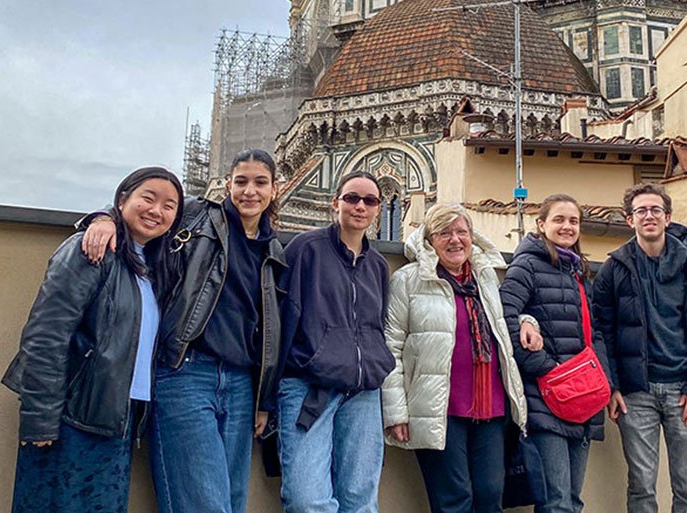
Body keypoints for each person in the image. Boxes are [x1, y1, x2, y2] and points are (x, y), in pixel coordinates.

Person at [80, 149, 286, 513]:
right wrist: (104, 218)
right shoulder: (198, 215)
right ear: (227, 185)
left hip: (240, 384)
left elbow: (267, 329)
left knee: (231, 502)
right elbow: (147, 215)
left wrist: (263, 401)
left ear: (275, 189)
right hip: (186, 371)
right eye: (241, 182)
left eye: (259, 183)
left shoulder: (273, 249)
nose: (249, 191)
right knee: (203, 504)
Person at [2, 167, 184, 513]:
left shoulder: (154, 266)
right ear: (122, 199)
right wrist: (40, 417)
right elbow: (46, 333)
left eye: (169, 205)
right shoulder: (93, 248)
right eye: (148, 197)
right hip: (71, 416)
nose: (156, 211)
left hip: (118, 415)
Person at [381, 202, 540, 513]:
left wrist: (527, 321)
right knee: (454, 499)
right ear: (429, 240)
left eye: (461, 232)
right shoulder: (408, 280)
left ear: (472, 236)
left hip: (491, 408)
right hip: (440, 409)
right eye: (444, 233)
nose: (455, 240)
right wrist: (396, 411)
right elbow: (392, 347)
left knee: (491, 495)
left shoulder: (486, 278)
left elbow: (505, 319)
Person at [592, 183, 687, 513]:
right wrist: (611, 387)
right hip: (635, 393)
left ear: (667, 217)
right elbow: (601, 332)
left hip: (685, 391)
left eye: (656, 210)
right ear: (630, 220)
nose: (649, 216)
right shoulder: (614, 270)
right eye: (641, 211)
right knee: (641, 486)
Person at [278, 170, 395, 513]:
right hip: (308, 387)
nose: (360, 206)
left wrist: (375, 366)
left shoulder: (377, 264)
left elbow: (377, 325)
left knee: (360, 499)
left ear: (379, 209)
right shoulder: (306, 248)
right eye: (352, 198)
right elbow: (284, 318)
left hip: (362, 392)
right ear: (336, 203)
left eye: (370, 201)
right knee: (307, 500)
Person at [500, 193, 612, 513]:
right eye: (559, 220)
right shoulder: (527, 266)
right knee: (556, 502)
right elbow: (505, 316)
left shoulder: (577, 272)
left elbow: (595, 334)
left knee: (572, 501)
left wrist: (603, 379)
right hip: (545, 400)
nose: (567, 226)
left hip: (583, 397)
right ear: (541, 224)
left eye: (573, 221)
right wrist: (545, 367)